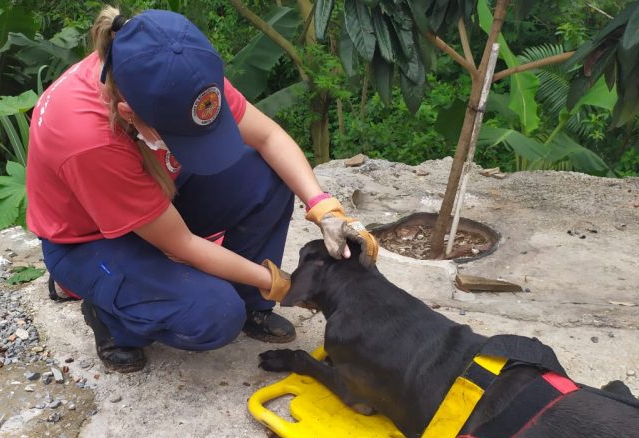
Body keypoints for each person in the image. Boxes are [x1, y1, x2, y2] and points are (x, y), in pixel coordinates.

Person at [26, 7, 377, 373]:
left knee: (267, 177)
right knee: (212, 315)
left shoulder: (179, 72)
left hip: (157, 194)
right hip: (88, 240)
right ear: (129, 114)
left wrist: (324, 209)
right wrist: (281, 283)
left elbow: (270, 136)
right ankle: (110, 316)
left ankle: (250, 303)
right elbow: (181, 245)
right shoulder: (89, 140)